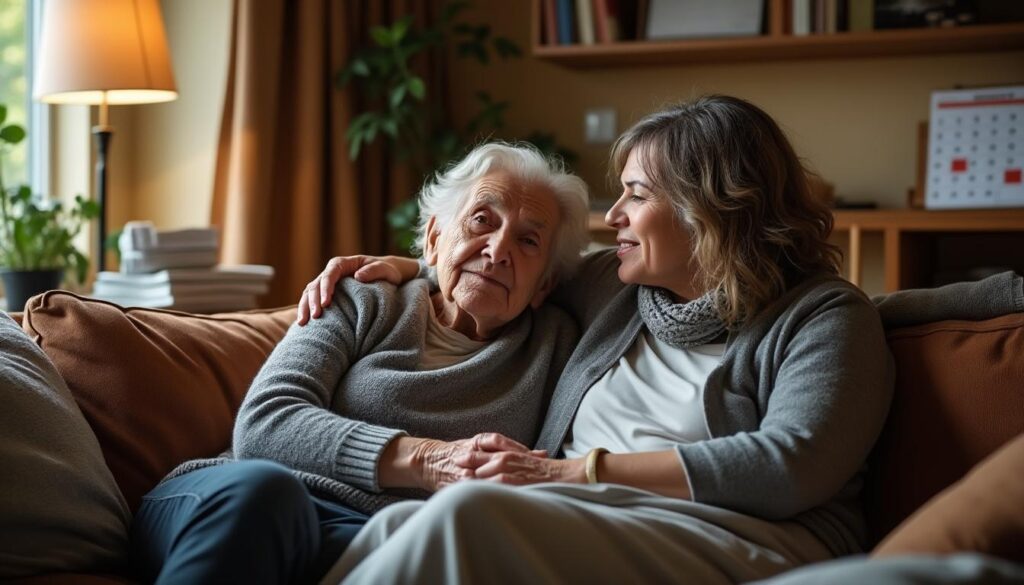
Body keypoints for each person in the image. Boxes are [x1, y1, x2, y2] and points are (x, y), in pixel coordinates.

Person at [298, 95, 896, 584]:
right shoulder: (616, 287)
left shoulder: (823, 316)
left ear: (710, 208)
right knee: (394, 526)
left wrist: (572, 473)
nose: (613, 217)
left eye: (637, 194)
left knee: (465, 513)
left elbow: (790, 467)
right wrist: (410, 266)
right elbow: (502, 268)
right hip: (586, 518)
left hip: (742, 534)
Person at [128, 143, 590, 584]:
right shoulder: (362, 298)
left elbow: (636, 284)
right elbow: (264, 424)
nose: (497, 249)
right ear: (433, 239)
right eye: (481, 221)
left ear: (546, 285)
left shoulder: (558, 348)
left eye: (528, 241)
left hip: (362, 535)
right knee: (267, 495)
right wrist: (427, 459)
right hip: (229, 502)